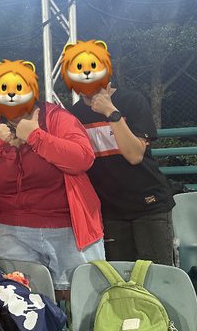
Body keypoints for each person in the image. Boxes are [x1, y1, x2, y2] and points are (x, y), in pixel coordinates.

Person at [0, 60, 105, 300]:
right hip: (10, 231)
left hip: (68, 228)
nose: (10, 94)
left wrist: (35, 136)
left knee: (81, 301)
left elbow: (83, 159)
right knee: (19, 305)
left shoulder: (56, 118)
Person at [63, 40, 175, 265]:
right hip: (108, 211)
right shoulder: (73, 115)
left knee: (158, 277)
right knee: (118, 279)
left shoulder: (131, 101)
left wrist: (111, 112)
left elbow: (135, 155)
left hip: (148, 205)